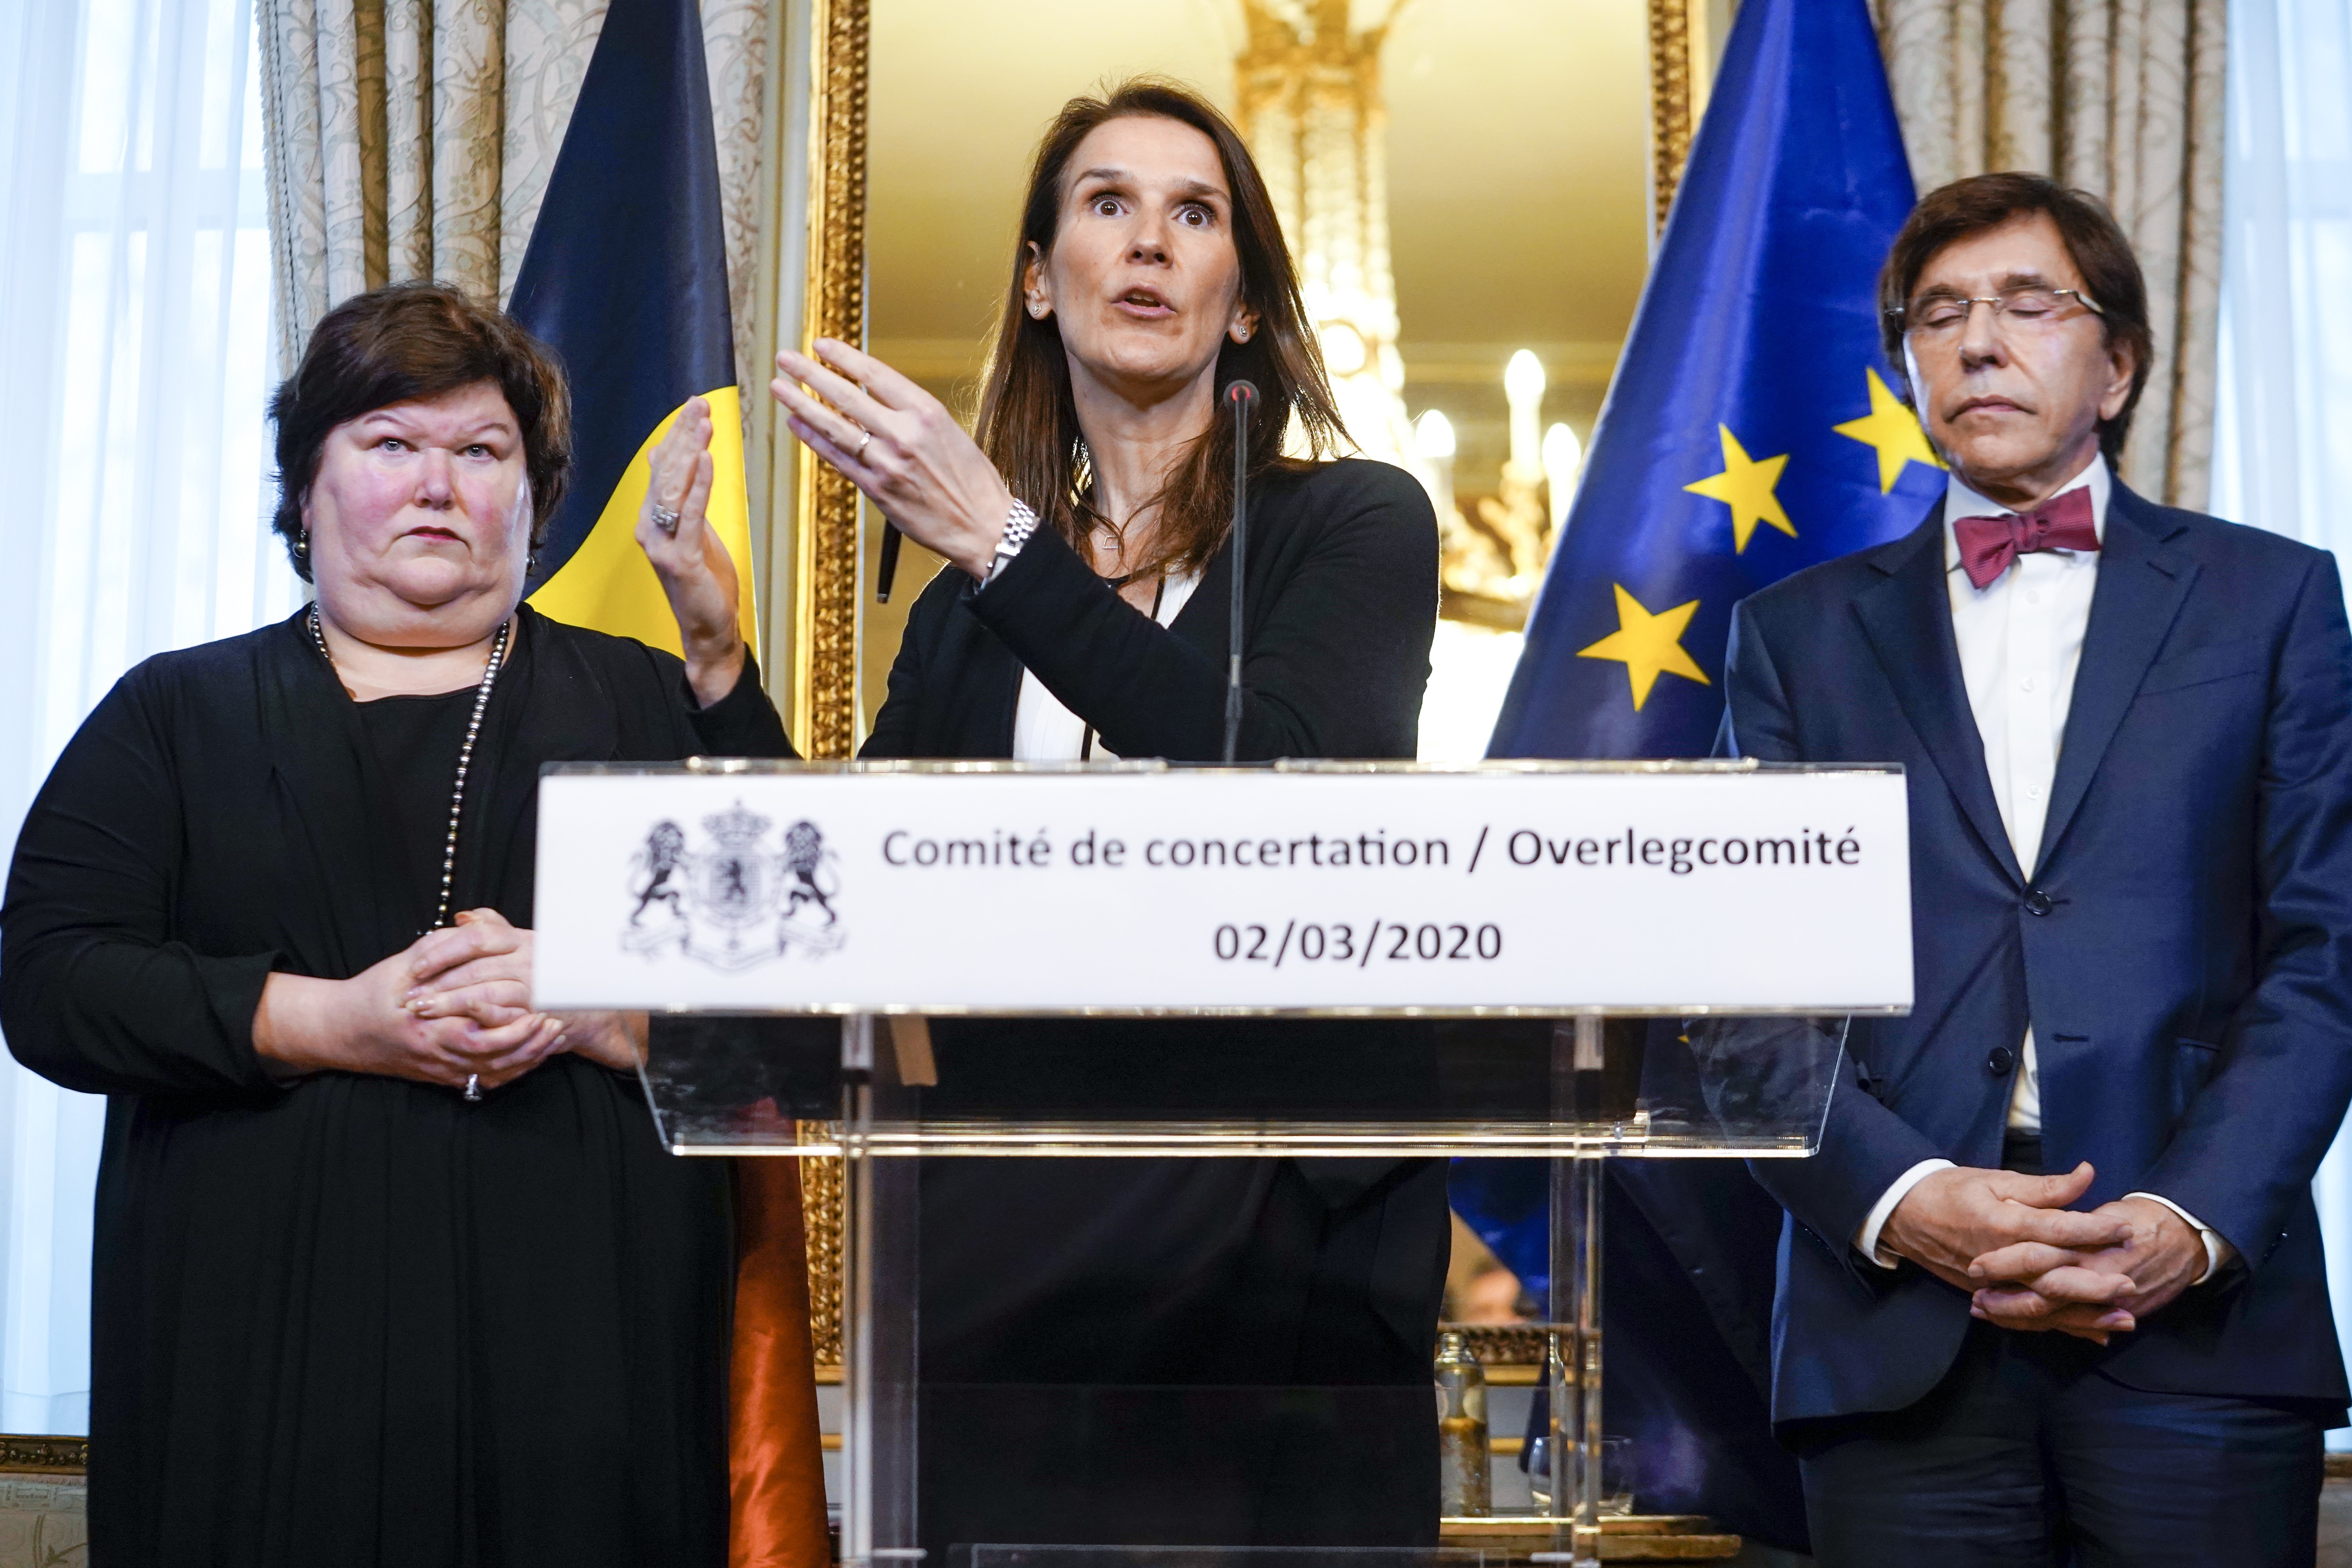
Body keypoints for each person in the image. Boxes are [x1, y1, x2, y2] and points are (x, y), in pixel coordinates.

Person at [0, 281, 799, 1566]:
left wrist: (604, 1007)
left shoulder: (655, 702)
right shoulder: (173, 713)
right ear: (304, 490)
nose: (437, 485)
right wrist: (334, 1021)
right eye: (389, 444)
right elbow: (49, 986)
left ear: (534, 500)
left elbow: (801, 1020)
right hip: (254, 1376)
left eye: (481, 451)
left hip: (587, 1375)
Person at [771, 79, 1447, 1552]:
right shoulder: (964, 612)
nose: (1149, 241)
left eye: (1194, 214)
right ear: (1040, 280)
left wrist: (1000, 541)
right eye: (1108, 204)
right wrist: (714, 680)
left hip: (1287, 1278)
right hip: (1011, 1269)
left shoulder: (1358, 523)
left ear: (1244, 303)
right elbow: (853, 888)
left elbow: (1277, 781)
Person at [1719, 171, 2352, 1564]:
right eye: (1940, 316)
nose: (1979, 343)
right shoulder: (1792, 636)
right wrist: (1906, 1203)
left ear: (2116, 366)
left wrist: (2188, 1218)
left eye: (2027, 304)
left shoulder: (2275, 597)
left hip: (2198, 1325)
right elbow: (1743, 1005)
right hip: (1896, 1329)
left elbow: (2330, 948)